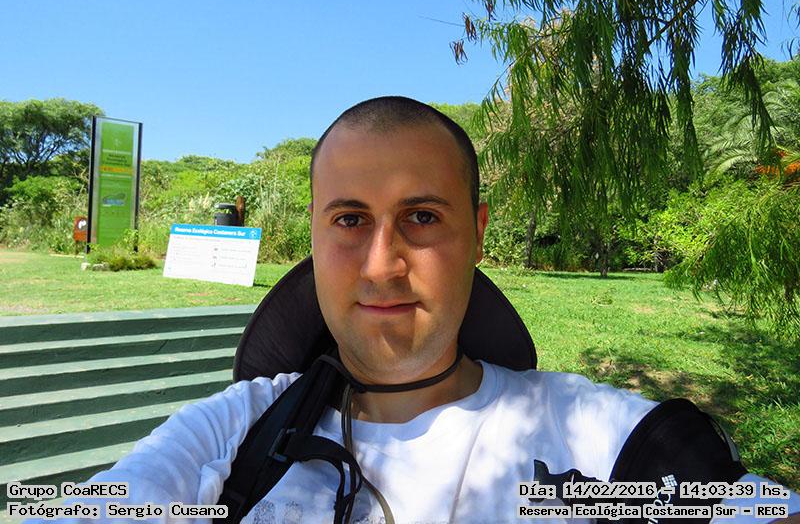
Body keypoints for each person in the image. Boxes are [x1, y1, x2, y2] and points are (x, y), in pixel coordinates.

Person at [23, 97, 799, 524]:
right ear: (315, 234)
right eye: (350, 219)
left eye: (422, 217)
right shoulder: (234, 434)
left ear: (478, 233)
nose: (381, 263)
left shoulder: (584, 436)